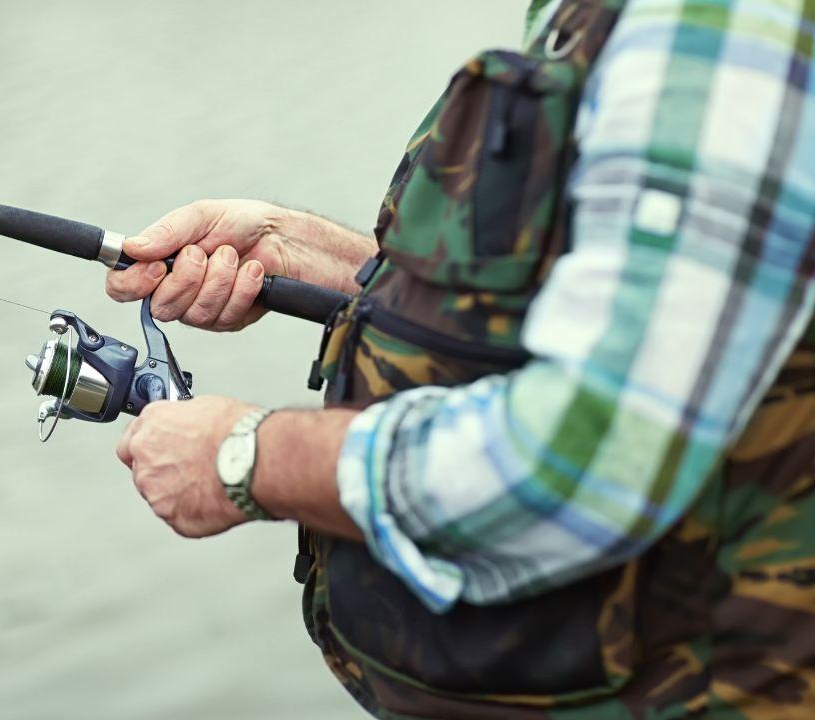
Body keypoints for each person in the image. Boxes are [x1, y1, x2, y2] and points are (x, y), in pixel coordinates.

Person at [107, 0, 815, 718]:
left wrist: (246, 457)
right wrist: (326, 263)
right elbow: (631, 315)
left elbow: (584, 462)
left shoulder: (714, 27)